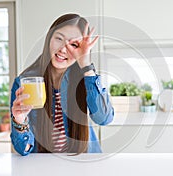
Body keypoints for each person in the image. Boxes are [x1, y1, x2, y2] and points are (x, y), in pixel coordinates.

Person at [10, 13, 114, 156]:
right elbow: (23, 149)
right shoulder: (25, 82)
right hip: (43, 165)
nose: (63, 50)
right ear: (49, 39)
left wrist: (86, 65)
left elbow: (104, 119)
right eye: (59, 39)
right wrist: (19, 121)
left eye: (74, 44)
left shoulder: (85, 79)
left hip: (83, 161)